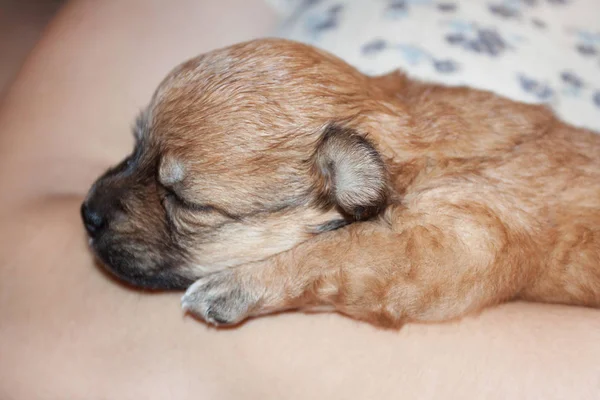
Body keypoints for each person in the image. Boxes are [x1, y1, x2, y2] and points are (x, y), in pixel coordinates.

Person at [0, 1, 598, 398]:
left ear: (343, 194)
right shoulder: (374, 121)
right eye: (138, 147)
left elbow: (444, 257)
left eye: (187, 204)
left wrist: (291, 277)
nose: (103, 202)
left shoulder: (449, 197)